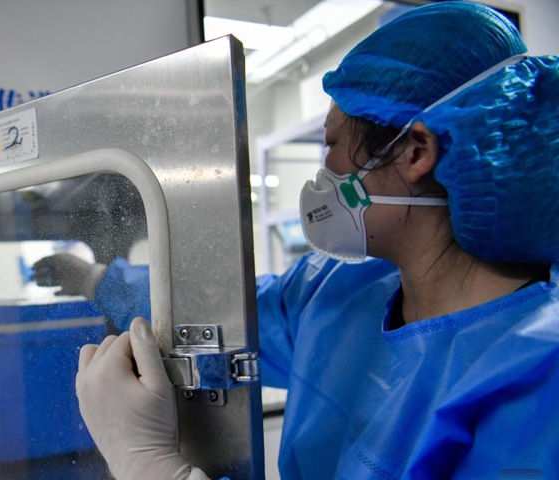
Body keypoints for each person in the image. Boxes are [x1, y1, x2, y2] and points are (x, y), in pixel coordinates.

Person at [38, 2, 559, 478]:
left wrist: (148, 464)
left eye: (332, 143)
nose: (323, 170)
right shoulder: (338, 289)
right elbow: (221, 315)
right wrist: (96, 277)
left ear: (415, 151)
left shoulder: (537, 378)